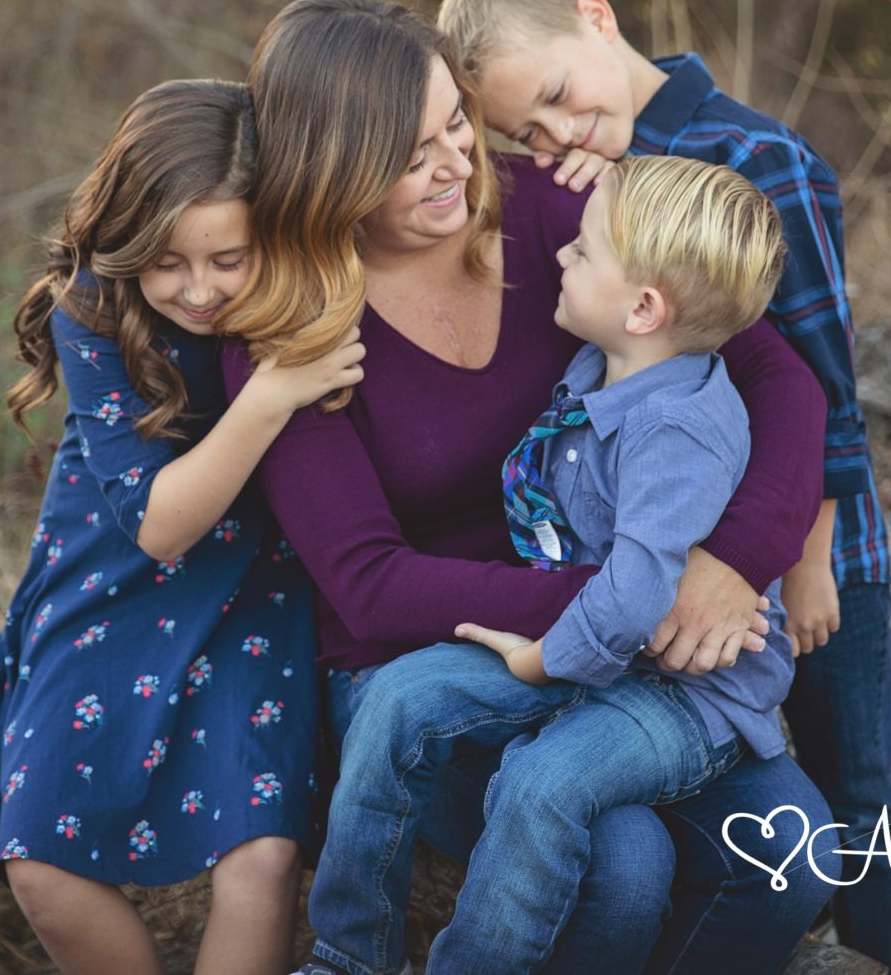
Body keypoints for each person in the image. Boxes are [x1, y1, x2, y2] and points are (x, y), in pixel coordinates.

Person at [219, 0, 840, 975]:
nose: (457, 161)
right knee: (620, 863)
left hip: (631, 627)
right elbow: (369, 579)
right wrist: (623, 605)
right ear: (330, 167)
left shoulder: (550, 204)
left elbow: (778, 376)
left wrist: (731, 562)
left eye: (456, 121)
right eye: (411, 152)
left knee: (786, 858)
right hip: (426, 655)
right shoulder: (292, 320)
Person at [440, 0, 891, 973]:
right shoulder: (585, 182)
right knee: (725, 796)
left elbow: (819, 383)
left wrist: (798, 554)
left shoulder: (752, 157)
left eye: (559, 96)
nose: (557, 134)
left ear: (597, 15)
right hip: (664, 568)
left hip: (809, 557)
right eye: (527, 130)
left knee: (855, 792)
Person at [296, 155, 796, 975]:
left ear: (643, 307)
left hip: (681, 692)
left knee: (542, 783)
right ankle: (347, 954)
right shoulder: (606, 365)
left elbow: (639, 598)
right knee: (393, 700)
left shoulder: (678, 429)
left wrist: (538, 658)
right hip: (597, 652)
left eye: (584, 252)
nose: (560, 255)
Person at [0, 80, 364, 975]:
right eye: (166, 261)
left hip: (253, 584)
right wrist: (275, 392)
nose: (197, 291)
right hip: (110, 568)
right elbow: (158, 524)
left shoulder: (310, 281)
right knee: (43, 861)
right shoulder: (90, 306)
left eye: (226, 259)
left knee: (261, 853)